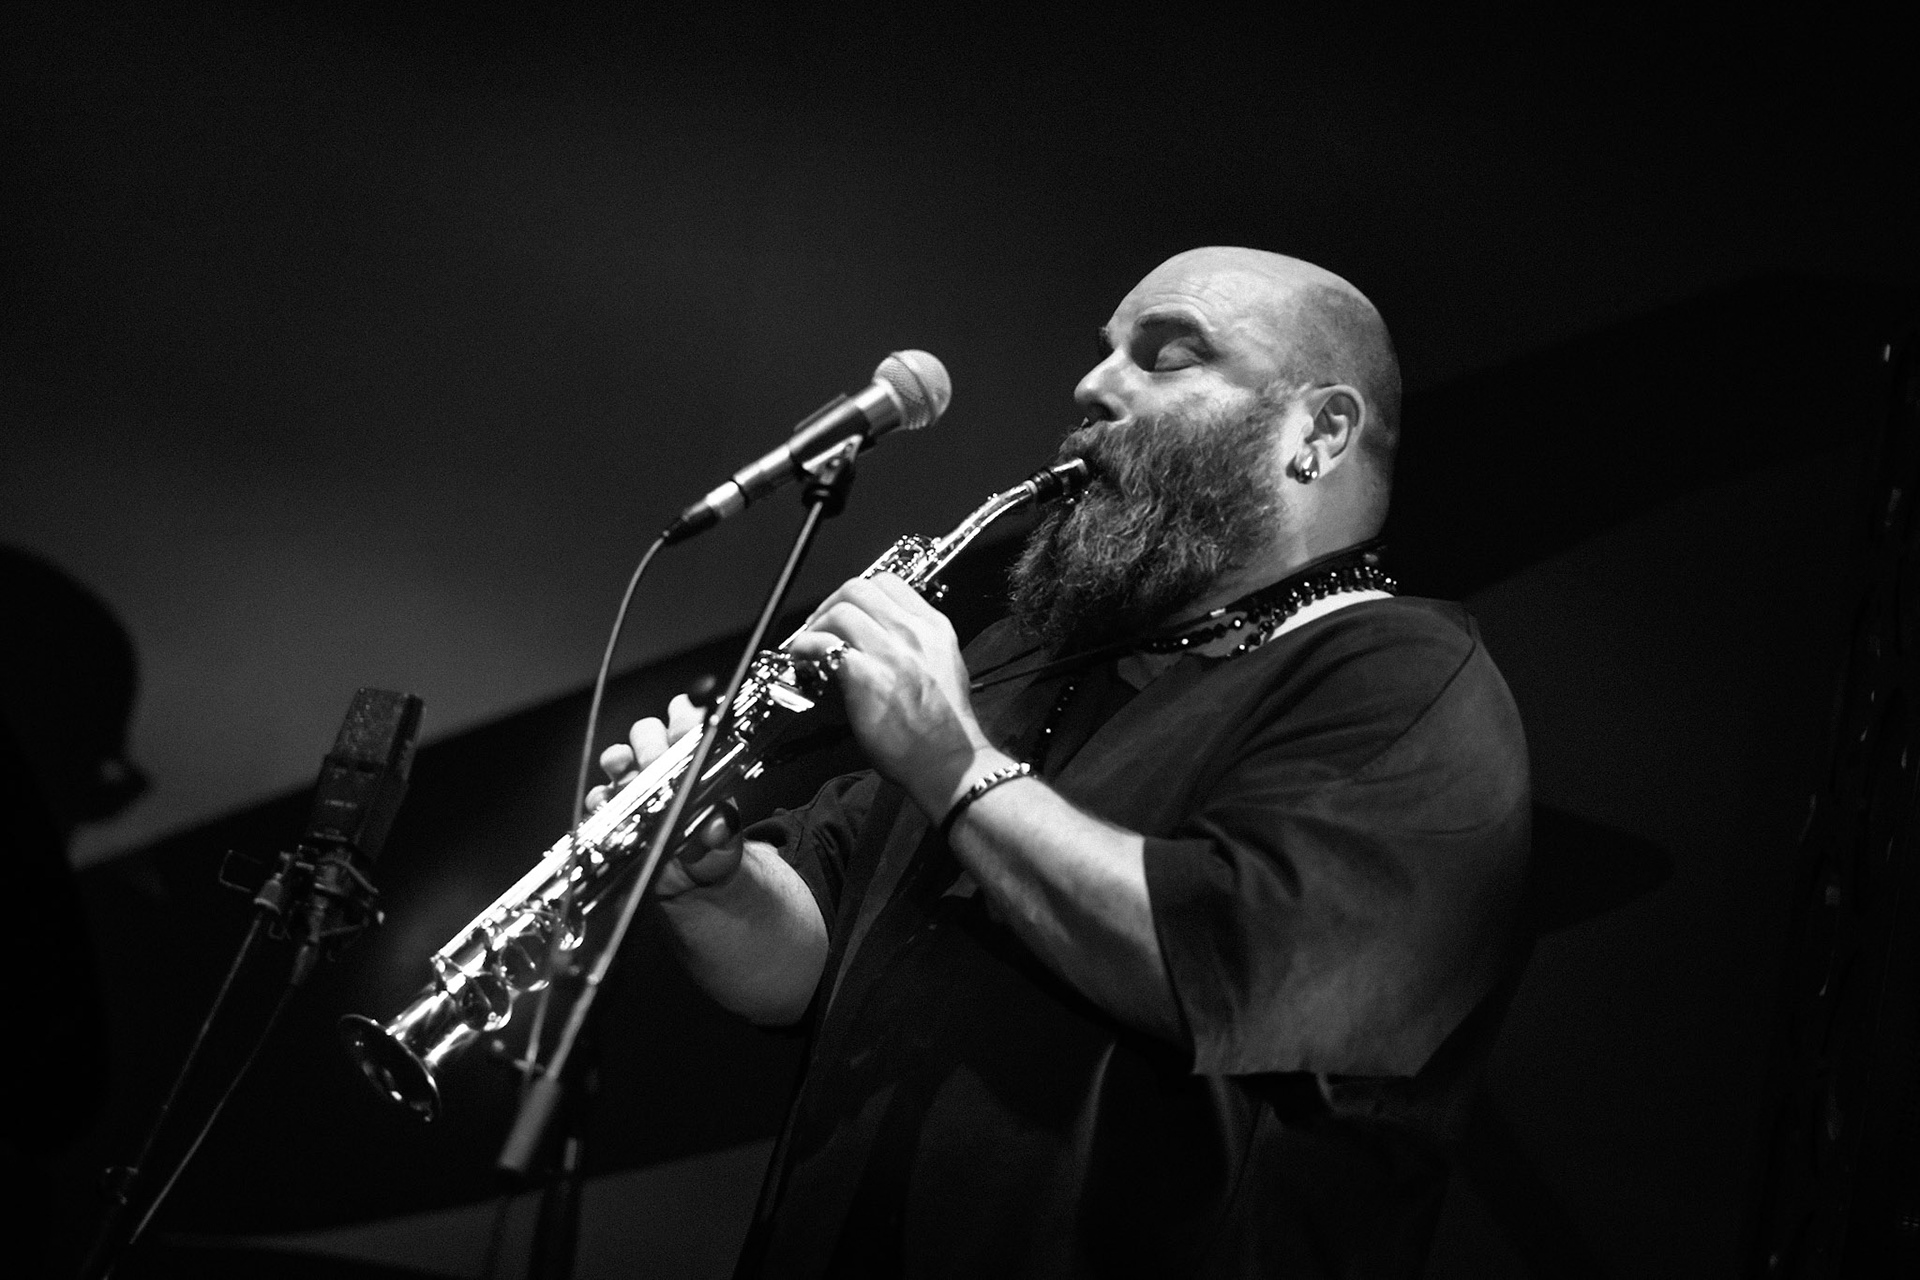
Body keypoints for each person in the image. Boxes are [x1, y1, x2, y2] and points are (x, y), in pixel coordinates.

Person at [592, 247, 1531, 1277]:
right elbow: (806, 958)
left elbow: (1224, 966)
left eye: (1167, 356)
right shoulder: (1027, 657)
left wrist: (950, 761)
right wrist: (708, 876)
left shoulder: (1403, 678)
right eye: (1102, 353)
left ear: (1320, 431)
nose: (1094, 386)